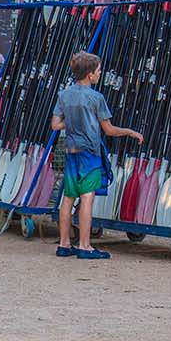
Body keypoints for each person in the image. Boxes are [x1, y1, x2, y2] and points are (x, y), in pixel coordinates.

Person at [53, 51, 143, 259]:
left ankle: (64, 244)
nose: (101, 72)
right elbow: (109, 130)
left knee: (67, 198)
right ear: (90, 75)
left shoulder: (64, 95)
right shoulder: (96, 98)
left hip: (71, 151)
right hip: (89, 154)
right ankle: (85, 246)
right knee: (87, 198)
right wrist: (130, 132)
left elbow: (55, 124)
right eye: (99, 70)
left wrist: (73, 121)